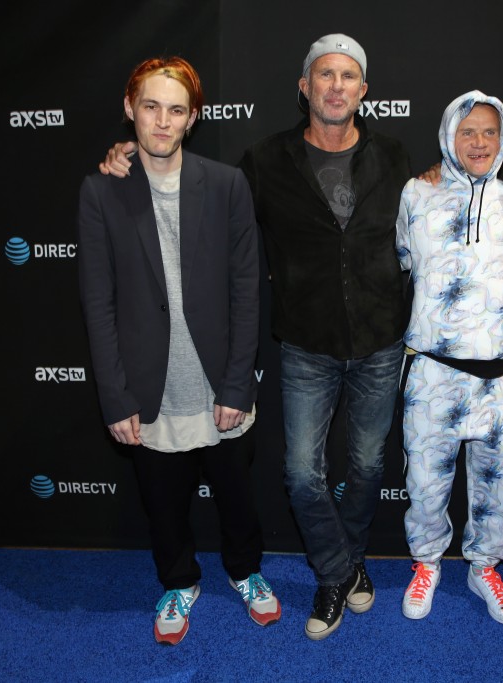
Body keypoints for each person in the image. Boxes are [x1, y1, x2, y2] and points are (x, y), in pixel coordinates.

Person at [98, 34, 411, 641]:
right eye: (325, 75)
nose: (336, 85)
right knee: (300, 474)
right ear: (304, 87)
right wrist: (126, 157)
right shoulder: (263, 162)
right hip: (304, 345)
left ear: (363, 91)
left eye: (348, 76)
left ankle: (344, 564)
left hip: (380, 342)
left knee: (370, 466)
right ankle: (336, 571)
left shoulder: (397, 157)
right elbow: (189, 189)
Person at [78, 56, 280, 647]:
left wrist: (238, 384)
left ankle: (245, 572)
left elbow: (248, 291)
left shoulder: (225, 184)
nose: (162, 122)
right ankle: (178, 580)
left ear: (192, 119)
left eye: (175, 110)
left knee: (238, 497)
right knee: (162, 503)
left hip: (219, 381)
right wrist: (115, 397)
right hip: (148, 386)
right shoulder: (100, 191)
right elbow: (98, 303)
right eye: (150, 107)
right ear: (129, 109)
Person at [395, 91, 503, 626]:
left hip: (502, 377)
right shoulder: (415, 194)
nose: (478, 142)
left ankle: (485, 566)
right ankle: (425, 563)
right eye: (467, 131)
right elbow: (401, 259)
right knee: (424, 480)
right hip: (433, 371)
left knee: (500, 481)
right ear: (448, 136)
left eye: (489, 132)